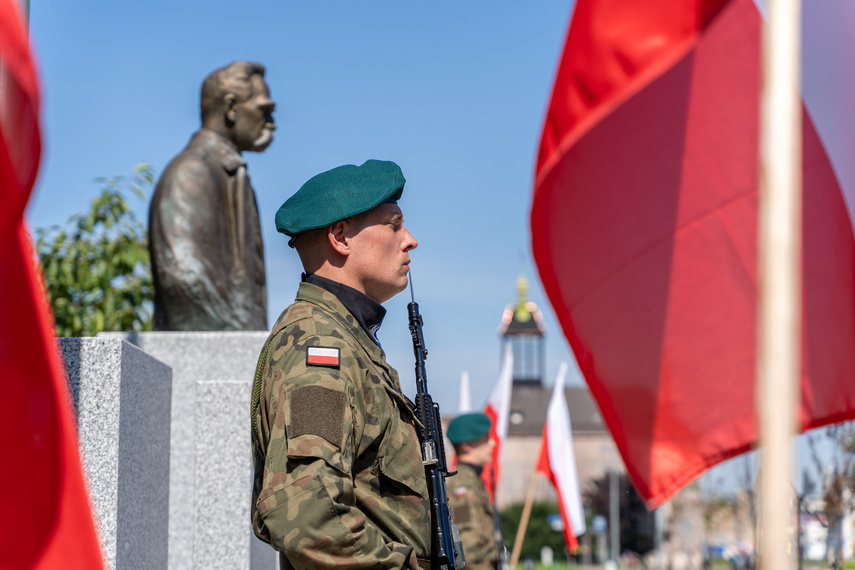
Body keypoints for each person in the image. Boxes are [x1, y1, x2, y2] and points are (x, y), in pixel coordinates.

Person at [250, 159, 431, 569]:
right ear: (340, 237)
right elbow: (306, 514)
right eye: (393, 224)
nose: (410, 240)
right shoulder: (319, 346)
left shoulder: (345, 339)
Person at [148, 61, 275, 331]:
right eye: (264, 111)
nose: (271, 124)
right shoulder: (192, 171)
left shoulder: (228, 173)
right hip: (205, 361)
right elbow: (183, 276)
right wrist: (241, 342)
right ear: (230, 108)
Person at [446, 412, 500, 570]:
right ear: (467, 445)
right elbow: (468, 547)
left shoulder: (473, 483)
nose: (493, 444)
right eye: (486, 439)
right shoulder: (463, 488)